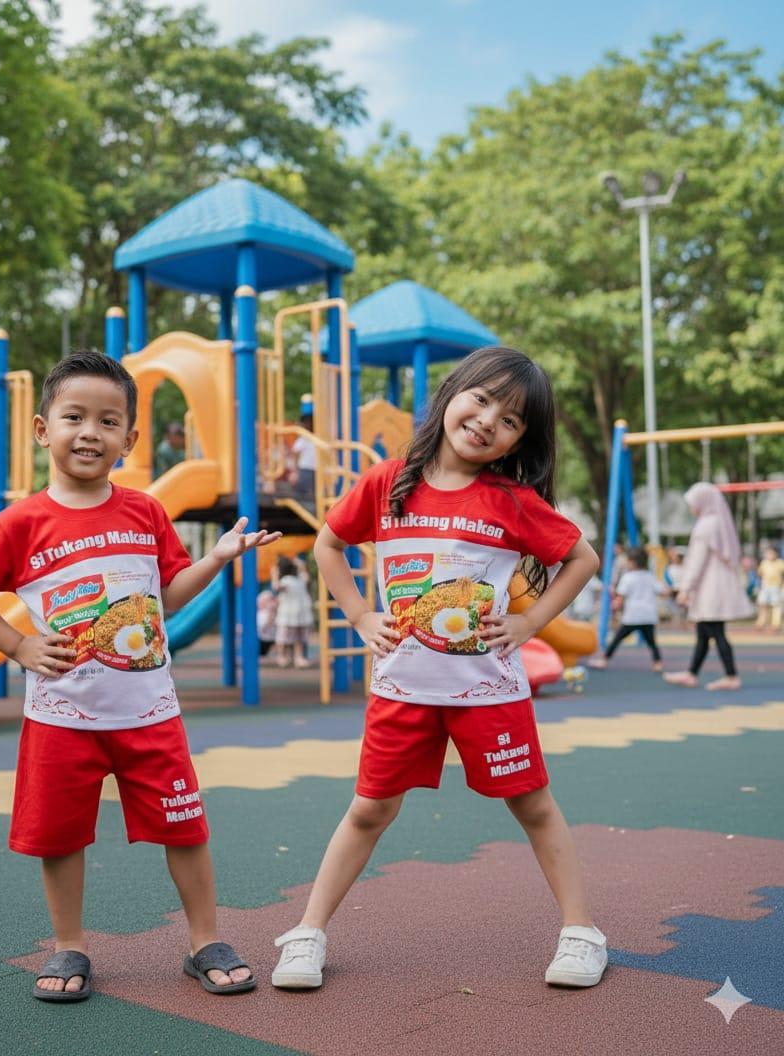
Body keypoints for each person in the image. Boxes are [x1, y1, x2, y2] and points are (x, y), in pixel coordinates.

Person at [0, 351, 281, 1002]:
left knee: (185, 826)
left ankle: (204, 938)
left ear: (128, 440)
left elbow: (170, 595)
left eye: (108, 421)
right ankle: (69, 945)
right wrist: (17, 644)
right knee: (61, 836)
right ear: (44, 429)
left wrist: (216, 556)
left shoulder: (146, 512)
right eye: (74, 416)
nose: (90, 432)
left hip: (150, 712)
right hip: (61, 718)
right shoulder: (22, 523)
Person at [271, 346, 606, 992]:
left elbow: (582, 559)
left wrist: (531, 623)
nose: (488, 421)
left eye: (511, 420)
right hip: (402, 691)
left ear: (520, 440)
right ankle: (306, 931)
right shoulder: (387, 482)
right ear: (454, 392)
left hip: (489, 693)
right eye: (481, 399)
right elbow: (328, 544)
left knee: (533, 805)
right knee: (368, 811)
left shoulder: (511, 500)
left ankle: (582, 931)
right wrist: (363, 618)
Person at [663, 483, 752, 691]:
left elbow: (697, 561)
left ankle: (731, 675)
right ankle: (692, 673)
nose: (691, 509)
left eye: (693, 504)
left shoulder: (706, 526)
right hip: (717, 585)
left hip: (710, 587)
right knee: (704, 633)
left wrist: (685, 588)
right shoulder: (718, 523)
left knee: (715, 631)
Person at [588, 547, 667, 672]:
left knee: (617, 639)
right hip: (648, 615)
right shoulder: (650, 577)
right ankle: (658, 663)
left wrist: (613, 606)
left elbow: (620, 598)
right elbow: (663, 592)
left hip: (632, 616)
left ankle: (604, 660)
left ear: (633, 562)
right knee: (652, 642)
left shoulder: (628, 577)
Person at [272, 554, 314, 668]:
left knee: (290, 636)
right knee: (290, 636)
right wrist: (300, 564)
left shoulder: (294, 579)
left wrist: (274, 574)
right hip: (294, 613)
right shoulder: (291, 580)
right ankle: (289, 656)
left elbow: (276, 586)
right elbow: (277, 587)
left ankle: (290, 656)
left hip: (292, 613)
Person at [755, 545, 784, 633]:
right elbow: (759, 574)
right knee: (763, 605)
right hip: (765, 587)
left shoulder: (780, 563)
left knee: (776, 606)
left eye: (772, 553)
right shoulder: (764, 563)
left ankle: (776, 624)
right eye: (768, 553)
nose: (770, 555)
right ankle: (761, 623)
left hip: (776, 588)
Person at [257, 587, 278, 657]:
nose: (271, 603)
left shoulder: (277, 613)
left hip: (272, 639)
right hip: (262, 640)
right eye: (269, 601)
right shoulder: (261, 614)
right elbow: (265, 625)